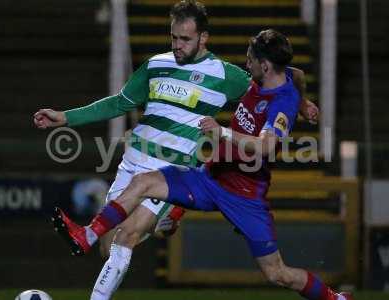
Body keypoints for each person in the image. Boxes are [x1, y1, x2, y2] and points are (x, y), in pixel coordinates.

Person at [36, 1, 317, 299]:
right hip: (132, 164)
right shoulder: (156, 64)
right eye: (174, 38)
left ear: (203, 38)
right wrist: (66, 117)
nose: (178, 45)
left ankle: (135, 223)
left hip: (170, 168)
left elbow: (281, 76)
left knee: (126, 235)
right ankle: (138, 224)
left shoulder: (225, 75)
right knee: (110, 245)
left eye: (186, 39)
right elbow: (119, 102)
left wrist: (301, 103)